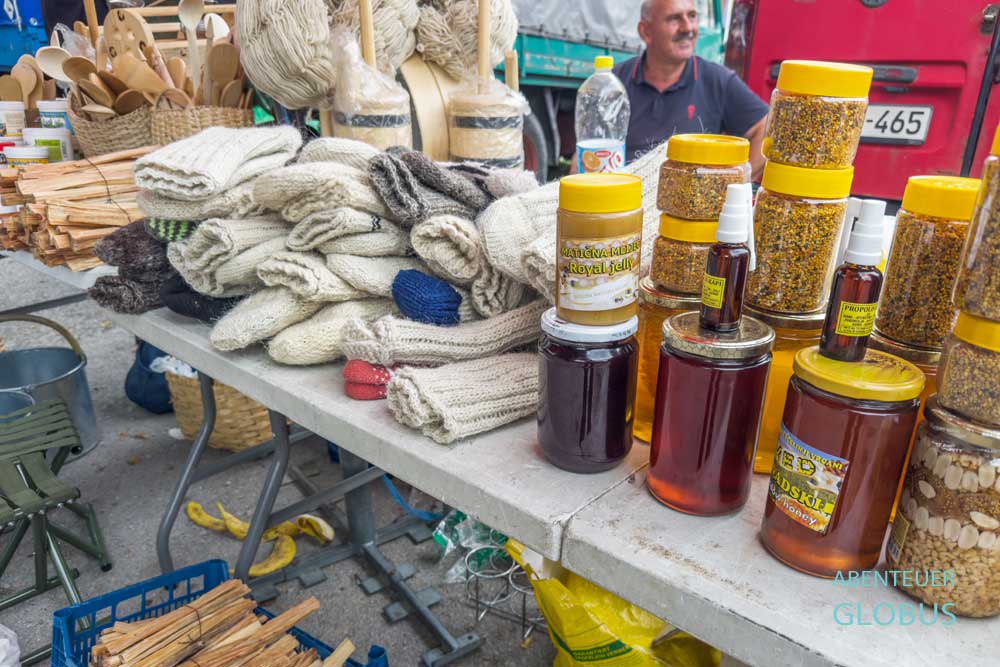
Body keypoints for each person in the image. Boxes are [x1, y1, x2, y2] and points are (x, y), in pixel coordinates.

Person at [613, 0, 769, 178]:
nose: (687, 28)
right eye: (674, 19)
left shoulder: (718, 80)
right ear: (646, 31)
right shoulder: (614, 83)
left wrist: (733, 184)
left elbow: (765, 129)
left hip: (689, 203)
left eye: (692, 16)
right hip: (625, 200)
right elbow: (587, 152)